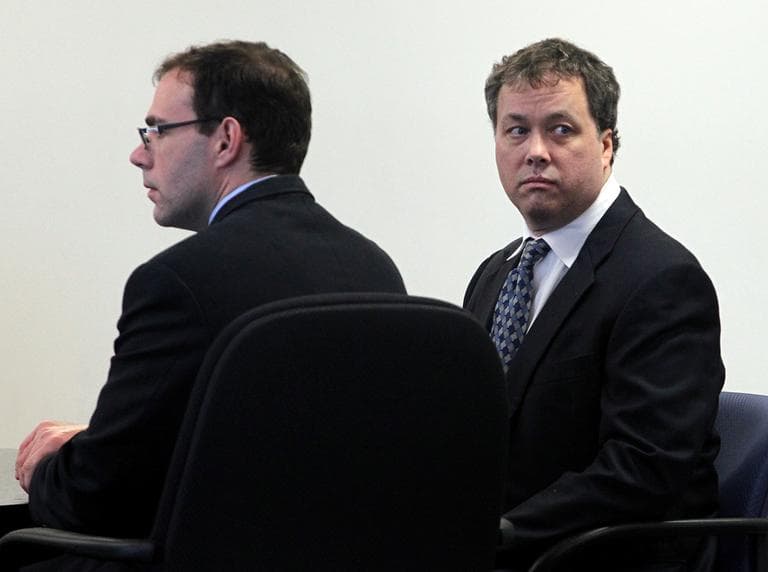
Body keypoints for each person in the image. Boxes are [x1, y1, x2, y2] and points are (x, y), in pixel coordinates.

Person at [14, 40, 405, 569]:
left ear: (225, 139)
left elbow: (91, 497)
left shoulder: (176, 283)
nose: (139, 152)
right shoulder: (375, 269)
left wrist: (44, 466)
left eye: (157, 129)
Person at [464, 38, 724, 571]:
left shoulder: (661, 280)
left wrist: (494, 534)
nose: (535, 150)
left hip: (596, 555)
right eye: (516, 130)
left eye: (560, 129)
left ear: (606, 144)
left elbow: (642, 470)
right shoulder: (496, 274)